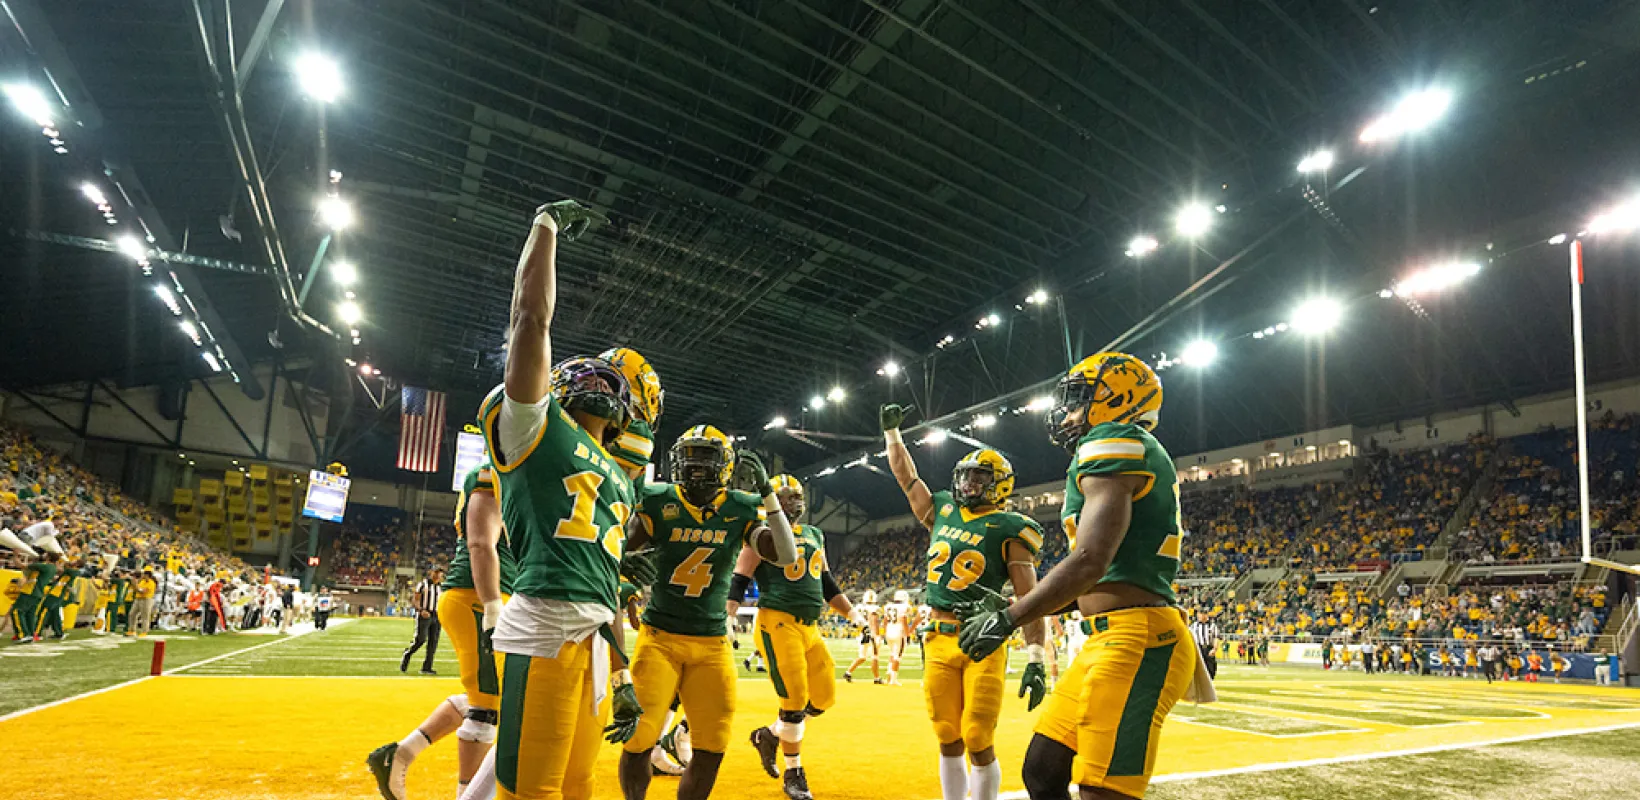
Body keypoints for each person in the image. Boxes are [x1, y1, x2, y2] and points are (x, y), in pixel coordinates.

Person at [956, 352, 1210, 800]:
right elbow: (1101, 576)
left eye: (1081, 401)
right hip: (1107, 637)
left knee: (1102, 791)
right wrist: (1020, 606)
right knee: (1042, 769)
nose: (1069, 412)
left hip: (1137, 638)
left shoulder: (1114, 441)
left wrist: (1011, 617)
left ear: (1118, 401)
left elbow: (1091, 560)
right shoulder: (1117, 447)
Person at [464, 199, 652, 800]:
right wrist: (544, 228)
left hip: (595, 633)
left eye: (609, 380)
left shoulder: (623, 479)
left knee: (580, 784)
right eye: (585, 374)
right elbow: (530, 319)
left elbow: (611, 585)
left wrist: (623, 670)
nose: (598, 382)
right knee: (532, 789)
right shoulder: (537, 429)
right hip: (544, 624)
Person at [616, 429, 798, 800]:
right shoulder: (658, 500)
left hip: (712, 642)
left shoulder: (742, 506)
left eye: (705, 456)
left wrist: (769, 498)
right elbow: (618, 551)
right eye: (690, 455)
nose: (696, 466)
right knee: (639, 737)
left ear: (726, 465)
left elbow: (786, 554)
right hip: (660, 638)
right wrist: (625, 581)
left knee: (712, 746)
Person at [881, 403, 1047, 800]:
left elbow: (1031, 597)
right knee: (946, 734)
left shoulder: (1011, 527)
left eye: (980, 478)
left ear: (1000, 484)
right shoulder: (942, 509)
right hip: (937, 637)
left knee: (977, 734)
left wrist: (1037, 656)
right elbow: (907, 477)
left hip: (982, 639)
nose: (970, 484)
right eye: (967, 477)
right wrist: (892, 436)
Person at [369, 464, 519, 800]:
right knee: (489, 707)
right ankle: (466, 795)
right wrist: (493, 605)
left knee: (497, 697)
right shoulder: (494, 474)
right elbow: (482, 544)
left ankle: (401, 754)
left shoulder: (511, 476)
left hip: (484, 595)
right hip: (478, 596)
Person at [735, 474, 868, 800]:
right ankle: (794, 772)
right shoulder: (760, 533)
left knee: (823, 698)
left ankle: (770, 734)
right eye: (785, 496)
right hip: (777, 622)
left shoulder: (814, 533)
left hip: (810, 626)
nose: (793, 502)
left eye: (796, 496)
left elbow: (826, 582)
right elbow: (740, 578)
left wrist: (852, 614)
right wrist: (727, 616)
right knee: (793, 702)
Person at [402, 568, 445, 675]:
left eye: (439, 575)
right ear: (431, 573)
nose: (437, 577)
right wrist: (421, 610)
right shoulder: (423, 584)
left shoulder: (441, 587)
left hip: (437, 615)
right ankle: (408, 654)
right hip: (424, 614)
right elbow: (415, 599)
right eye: (435, 574)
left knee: (433, 642)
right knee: (420, 639)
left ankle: (427, 667)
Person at [842, 590, 882, 684]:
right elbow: (873, 621)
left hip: (862, 633)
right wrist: (876, 635)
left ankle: (848, 672)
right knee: (875, 656)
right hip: (870, 633)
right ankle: (877, 678)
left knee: (862, 657)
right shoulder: (874, 608)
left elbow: (855, 622)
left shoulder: (859, 607)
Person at [882, 590, 914, 686]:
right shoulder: (905, 607)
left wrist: (884, 632)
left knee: (892, 653)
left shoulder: (888, 606)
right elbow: (904, 620)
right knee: (898, 656)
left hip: (889, 631)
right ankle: (893, 679)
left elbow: (885, 621)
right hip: (898, 631)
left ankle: (889, 672)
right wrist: (908, 634)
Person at [1189, 613, 1219, 679]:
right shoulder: (1193, 626)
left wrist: (1214, 649)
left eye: (1204, 614)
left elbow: (1216, 637)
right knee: (1196, 668)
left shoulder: (1212, 626)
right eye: (1201, 614)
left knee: (1210, 668)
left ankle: (1210, 683)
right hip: (1198, 648)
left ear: (1207, 615)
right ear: (1198, 615)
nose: (1202, 616)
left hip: (1208, 648)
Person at [130, 568, 157, 636]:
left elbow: (142, 591)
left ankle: (144, 631)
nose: (142, 575)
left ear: (147, 575)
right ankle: (132, 630)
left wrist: (135, 584)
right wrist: (134, 584)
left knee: (145, 616)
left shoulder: (151, 583)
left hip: (146, 599)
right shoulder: (142, 581)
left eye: (143, 574)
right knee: (132, 614)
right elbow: (137, 589)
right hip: (138, 599)